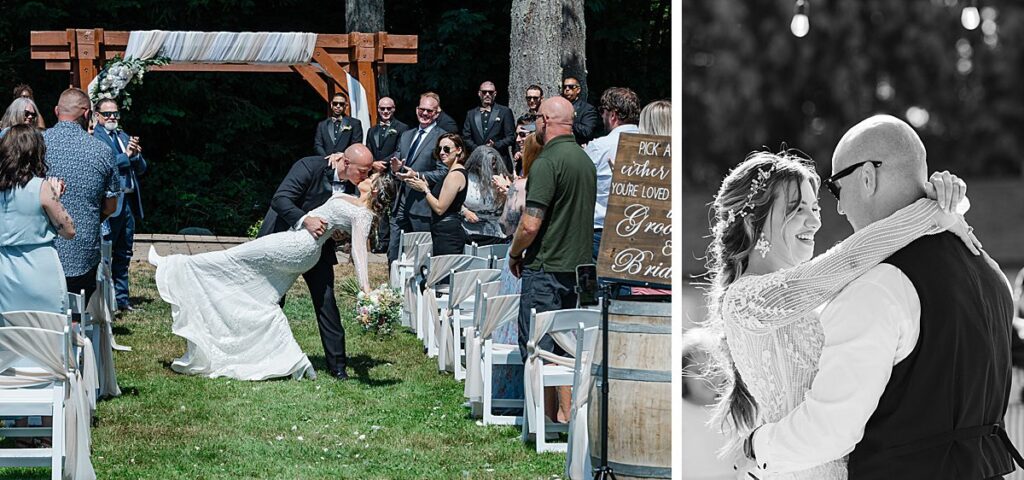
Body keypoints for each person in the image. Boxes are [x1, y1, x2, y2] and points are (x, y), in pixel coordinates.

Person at [732, 117, 1018, 479]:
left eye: (835, 191)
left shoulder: (876, 287)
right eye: (798, 208)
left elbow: (831, 428)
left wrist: (758, 446)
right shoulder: (991, 274)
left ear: (867, 177)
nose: (836, 210)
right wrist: (939, 210)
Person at [149, 172, 392, 381]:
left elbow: (360, 251)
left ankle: (175, 265)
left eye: (371, 178)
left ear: (375, 190)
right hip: (303, 246)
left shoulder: (363, 215)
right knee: (263, 300)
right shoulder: (353, 201)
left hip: (299, 245)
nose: (367, 177)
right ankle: (290, 360)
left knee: (233, 258)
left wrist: (366, 287)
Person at [252, 143, 375, 380]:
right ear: (346, 163)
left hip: (316, 250)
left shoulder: (355, 184)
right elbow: (280, 199)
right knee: (272, 300)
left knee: (326, 301)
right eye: (362, 171)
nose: (366, 176)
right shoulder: (309, 166)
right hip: (282, 240)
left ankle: (338, 365)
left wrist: (339, 233)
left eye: (368, 172)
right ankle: (263, 356)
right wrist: (305, 220)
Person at [509, 96, 596, 423]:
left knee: (537, 346)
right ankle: (565, 416)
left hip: (546, 268)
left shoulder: (547, 162)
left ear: (545, 121)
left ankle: (543, 419)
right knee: (568, 349)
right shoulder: (584, 161)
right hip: (579, 270)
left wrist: (515, 252)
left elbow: (530, 224)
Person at [44, 88, 120, 305]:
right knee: (78, 307)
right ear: (87, 115)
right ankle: (77, 331)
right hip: (82, 254)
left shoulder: (35, 145)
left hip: (41, 253)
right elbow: (111, 205)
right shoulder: (102, 151)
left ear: (57, 111)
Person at [0, 124, 76, 313]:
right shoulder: (41, 187)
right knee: (47, 333)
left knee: (10, 334)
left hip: (4, 271)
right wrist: (55, 197)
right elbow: (69, 231)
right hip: (39, 270)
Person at [92, 98, 147, 312]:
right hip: (110, 203)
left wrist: (137, 155)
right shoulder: (96, 139)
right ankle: (107, 300)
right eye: (107, 114)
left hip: (128, 203)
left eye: (115, 113)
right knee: (106, 252)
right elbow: (110, 165)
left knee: (124, 253)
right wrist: (127, 156)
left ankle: (123, 300)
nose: (112, 117)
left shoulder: (123, 136)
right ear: (97, 116)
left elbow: (141, 168)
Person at [387, 92, 448, 263]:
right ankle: (392, 288)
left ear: (437, 113)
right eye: (422, 109)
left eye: (430, 111)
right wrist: (396, 168)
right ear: (416, 110)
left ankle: (421, 288)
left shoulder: (442, 138)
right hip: (401, 202)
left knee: (421, 254)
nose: (425, 114)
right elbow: (399, 164)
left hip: (422, 206)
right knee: (394, 251)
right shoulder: (407, 135)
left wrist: (418, 175)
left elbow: (443, 172)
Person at [585, 87, 640, 260]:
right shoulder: (651, 144)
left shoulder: (599, 146)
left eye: (603, 111)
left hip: (602, 228)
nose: (601, 116)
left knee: (601, 284)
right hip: (640, 229)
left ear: (613, 114)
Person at [680, 328, 736, 480]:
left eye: (714, 369)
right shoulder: (679, 412)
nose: (708, 377)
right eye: (699, 371)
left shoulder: (733, 411)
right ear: (684, 375)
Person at [402, 132, 468, 256]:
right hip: (443, 229)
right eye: (439, 149)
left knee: (444, 272)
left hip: (448, 232)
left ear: (458, 150)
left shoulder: (454, 175)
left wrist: (425, 190)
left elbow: (439, 208)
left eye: (447, 149)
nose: (442, 152)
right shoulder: (452, 172)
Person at [366, 96, 409, 253]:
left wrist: (381, 164)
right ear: (378, 109)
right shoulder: (372, 130)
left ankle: (392, 242)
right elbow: (368, 149)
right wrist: (372, 164)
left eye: (388, 108)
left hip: (392, 173)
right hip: (375, 173)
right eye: (382, 108)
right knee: (376, 206)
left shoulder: (402, 128)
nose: (385, 111)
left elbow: (399, 150)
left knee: (392, 208)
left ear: (394, 109)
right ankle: (379, 242)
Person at [459, 145, 510, 246]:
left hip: (496, 233)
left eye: (494, 163)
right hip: (469, 231)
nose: (492, 167)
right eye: (489, 164)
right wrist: (464, 211)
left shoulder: (501, 179)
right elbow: (451, 201)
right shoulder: (464, 178)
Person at [463, 81, 516, 173]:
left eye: (490, 92)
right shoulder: (471, 114)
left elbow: (511, 137)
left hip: (499, 161)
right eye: (484, 92)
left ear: (495, 94)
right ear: (479, 94)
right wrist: (478, 149)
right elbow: (466, 137)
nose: (487, 95)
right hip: (477, 162)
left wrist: (495, 145)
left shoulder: (504, 111)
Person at [560, 76, 601, 144]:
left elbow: (587, 131)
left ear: (578, 90)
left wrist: (567, 122)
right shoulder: (558, 106)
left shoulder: (587, 109)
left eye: (571, 87)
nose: (567, 89)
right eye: (564, 87)